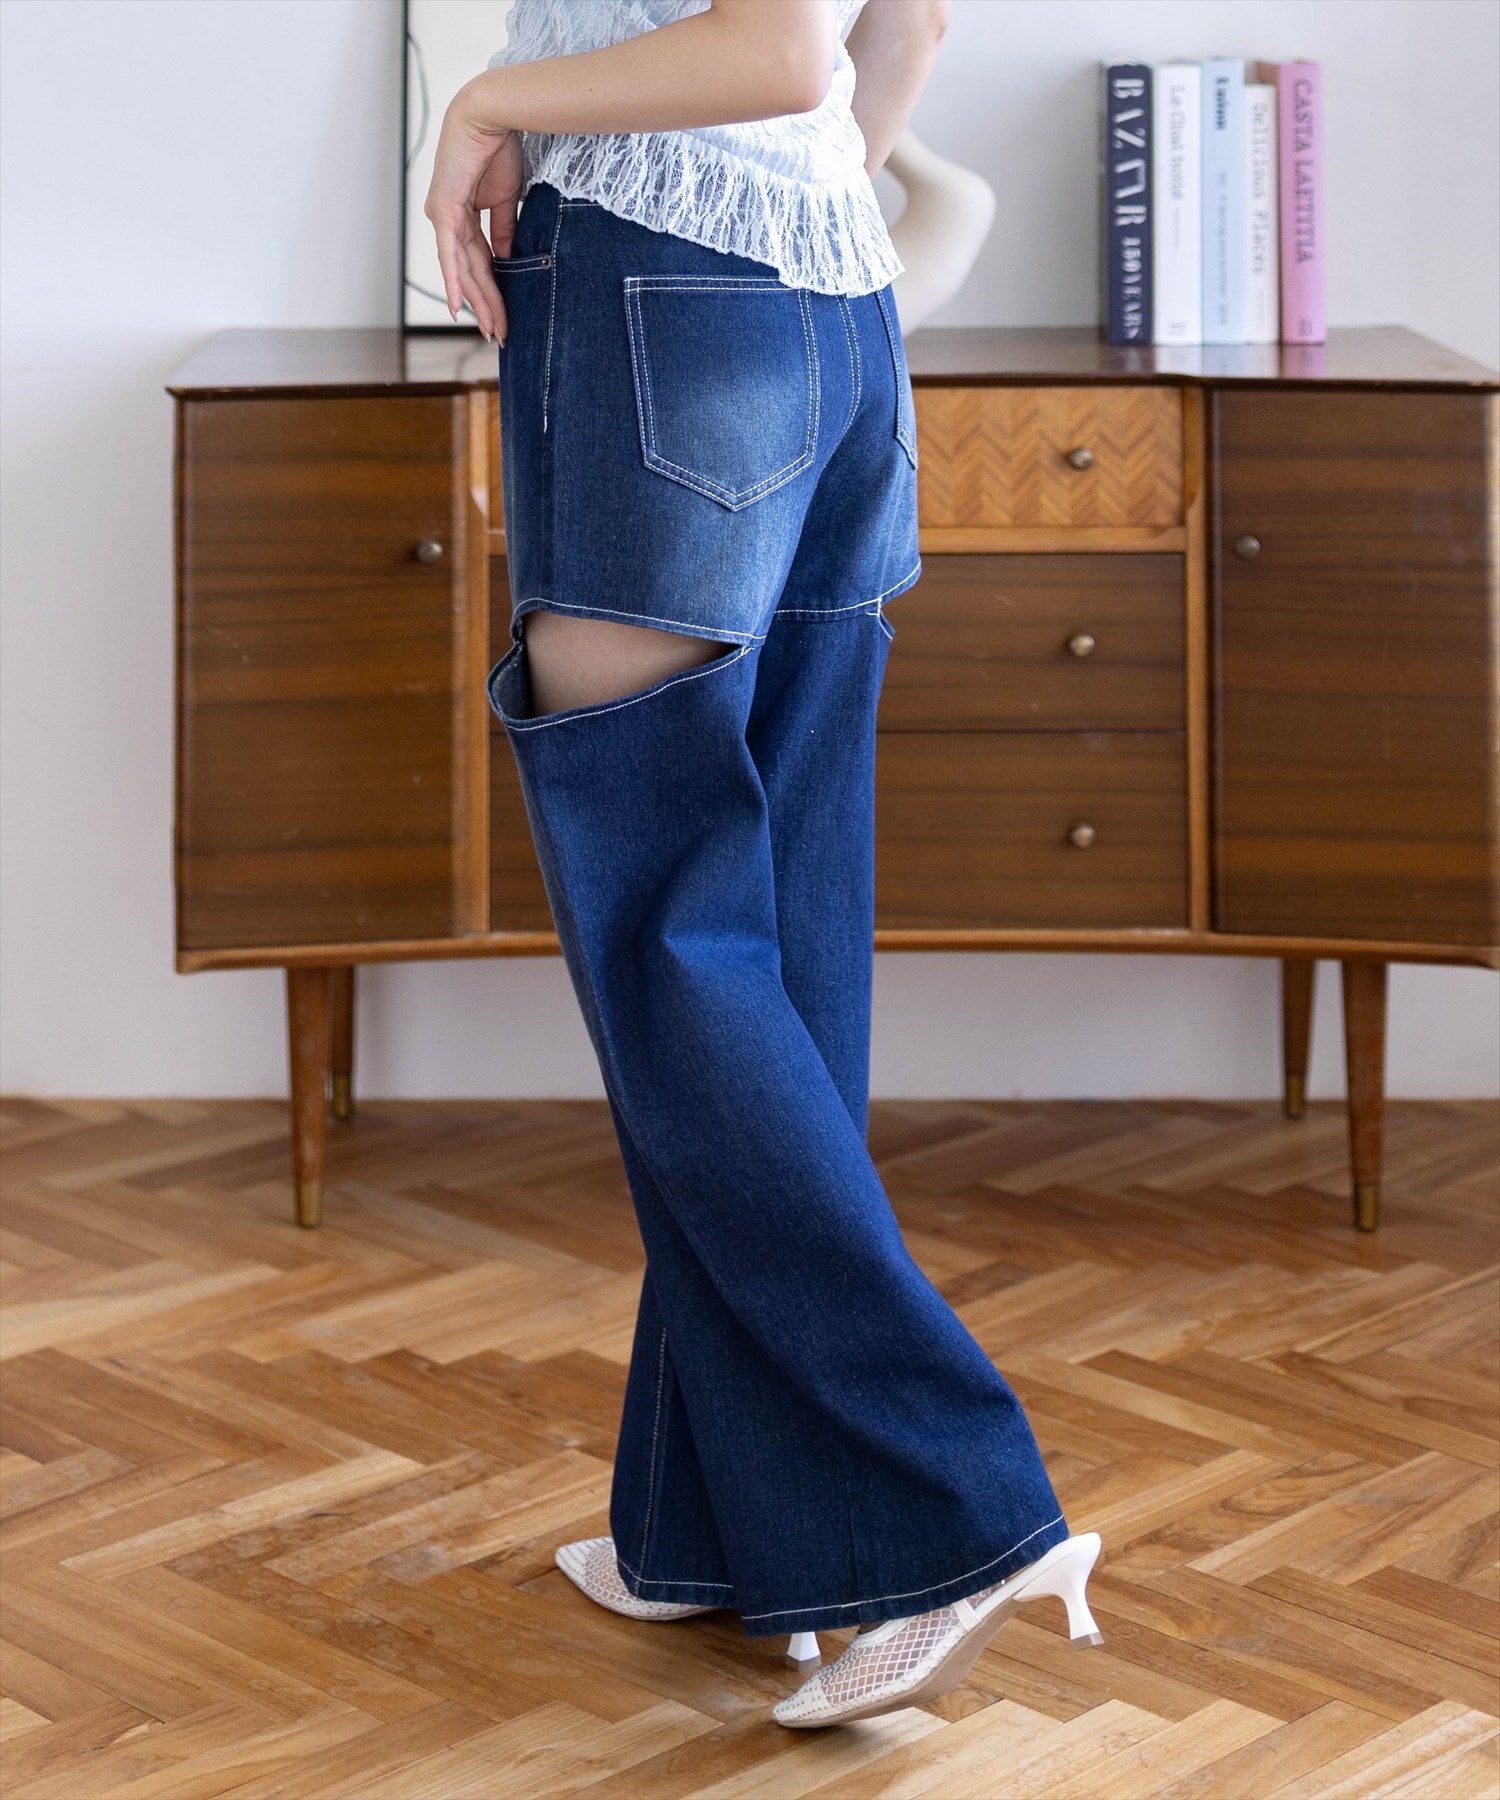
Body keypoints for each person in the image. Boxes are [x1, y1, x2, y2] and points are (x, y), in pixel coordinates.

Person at [424, 0, 1102, 1729]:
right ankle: (723, 1530)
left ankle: (949, 1512)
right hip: (834, 310)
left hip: (654, 297)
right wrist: (778, 228)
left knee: (672, 941)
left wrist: (489, 97)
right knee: (778, 957)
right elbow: (901, 23)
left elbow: (783, 46)